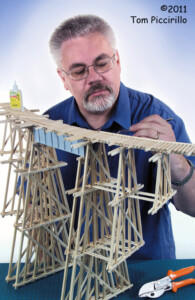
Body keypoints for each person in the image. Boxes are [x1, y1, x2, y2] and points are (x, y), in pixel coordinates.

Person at [46, 15, 195, 260]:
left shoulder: (160, 118)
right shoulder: (48, 127)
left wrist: (177, 161)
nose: (94, 78)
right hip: (70, 275)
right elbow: (35, 207)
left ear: (118, 61)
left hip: (146, 270)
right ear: (64, 79)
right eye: (79, 71)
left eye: (102, 63)